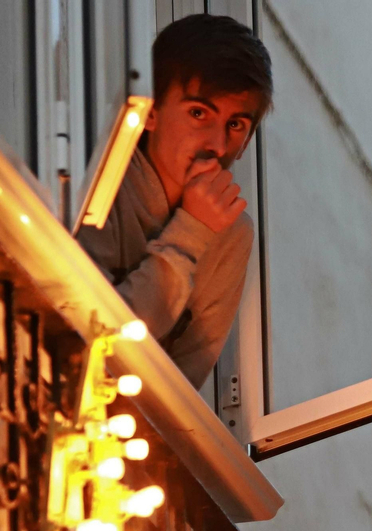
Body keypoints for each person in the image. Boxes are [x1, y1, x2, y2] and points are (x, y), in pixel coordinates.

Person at [78, 14, 272, 389]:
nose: (217, 145)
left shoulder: (233, 234)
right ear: (149, 111)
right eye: (199, 113)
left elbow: (179, 385)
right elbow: (96, 343)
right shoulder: (101, 175)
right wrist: (192, 230)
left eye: (236, 125)